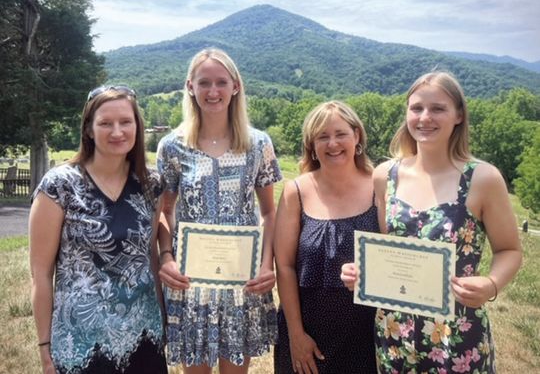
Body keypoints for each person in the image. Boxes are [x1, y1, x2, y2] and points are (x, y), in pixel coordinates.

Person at [341, 71, 522, 373]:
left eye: (438, 108)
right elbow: (391, 249)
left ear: (459, 115)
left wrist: (491, 284)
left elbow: (510, 250)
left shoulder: (482, 178)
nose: (425, 117)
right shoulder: (386, 175)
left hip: (458, 332)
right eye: (417, 108)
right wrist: (363, 273)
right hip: (394, 330)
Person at [157, 48, 282, 373]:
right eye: (204, 83)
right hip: (190, 280)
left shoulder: (258, 144)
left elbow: (269, 213)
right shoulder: (172, 146)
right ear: (190, 87)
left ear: (235, 86)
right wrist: (167, 257)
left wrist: (266, 264)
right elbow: (164, 211)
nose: (213, 91)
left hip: (241, 280)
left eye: (221, 82)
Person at [29, 86, 167, 373]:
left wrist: (163, 320)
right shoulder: (59, 186)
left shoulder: (151, 184)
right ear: (89, 130)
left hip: (144, 336)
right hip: (81, 343)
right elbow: (41, 274)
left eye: (125, 122)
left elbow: (149, 256)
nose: (117, 131)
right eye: (105, 123)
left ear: (137, 127)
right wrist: (45, 349)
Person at [274, 101, 379, 374]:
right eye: (322, 136)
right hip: (305, 332)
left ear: (357, 136)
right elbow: (284, 266)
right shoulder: (295, 191)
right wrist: (296, 335)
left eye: (340, 134)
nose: (332, 144)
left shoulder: (380, 186)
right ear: (312, 146)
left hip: (364, 334)